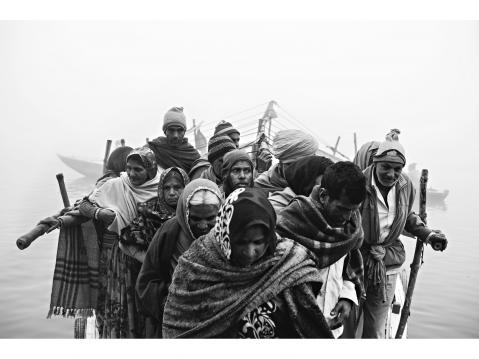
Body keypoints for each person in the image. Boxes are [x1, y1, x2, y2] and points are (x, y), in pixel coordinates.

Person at [162, 188, 334, 338]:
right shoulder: (197, 263)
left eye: (258, 242)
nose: (250, 252)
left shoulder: (288, 261)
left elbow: (307, 322)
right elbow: (179, 327)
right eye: (241, 242)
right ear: (225, 234)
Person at [358, 131, 448, 338]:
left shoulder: (406, 185)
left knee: (375, 328)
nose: (391, 174)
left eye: (397, 169)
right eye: (386, 167)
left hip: (388, 262)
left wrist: (428, 235)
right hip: (355, 260)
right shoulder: (358, 183)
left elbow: (407, 217)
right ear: (375, 163)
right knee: (346, 319)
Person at [276, 161, 367, 338]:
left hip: (332, 324)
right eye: (342, 209)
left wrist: (347, 297)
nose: (347, 216)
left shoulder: (352, 227)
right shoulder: (291, 222)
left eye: (353, 210)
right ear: (324, 196)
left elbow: (350, 266)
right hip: (293, 325)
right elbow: (276, 281)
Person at [78, 147, 161, 338]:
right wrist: (100, 213)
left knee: (145, 305)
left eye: (138, 169)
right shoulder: (116, 185)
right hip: (120, 257)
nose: (131, 173)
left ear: (150, 170)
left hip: (148, 258)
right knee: (123, 302)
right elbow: (84, 205)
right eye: (129, 168)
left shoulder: (161, 188)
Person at [136, 179, 222, 337]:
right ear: (184, 213)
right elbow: (146, 282)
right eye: (195, 218)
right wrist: (173, 302)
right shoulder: (170, 232)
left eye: (210, 218)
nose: (203, 226)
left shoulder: (226, 235)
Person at [120, 167, 189, 263]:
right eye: (167, 188)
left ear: (186, 187)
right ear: (160, 189)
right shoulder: (150, 212)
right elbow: (126, 241)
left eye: (177, 187)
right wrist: (149, 262)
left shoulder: (192, 213)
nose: (172, 193)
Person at [254, 129, 320, 194]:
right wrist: (261, 170)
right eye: (290, 164)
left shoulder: (317, 187)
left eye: (303, 165)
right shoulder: (261, 183)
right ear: (281, 163)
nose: (297, 170)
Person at [269, 155, 334, 213]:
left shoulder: (312, 209)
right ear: (307, 179)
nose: (323, 192)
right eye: (322, 184)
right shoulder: (277, 207)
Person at [147, 106, 200, 173]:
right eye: (171, 130)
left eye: (180, 130)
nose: (175, 135)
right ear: (165, 131)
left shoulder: (193, 155)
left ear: (184, 132)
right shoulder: (153, 149)